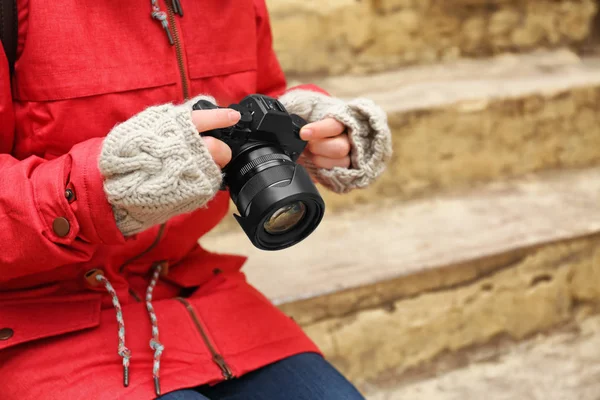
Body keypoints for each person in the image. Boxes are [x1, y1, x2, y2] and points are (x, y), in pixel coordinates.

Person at [0, 1, 392, 399]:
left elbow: (254, 98)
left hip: (192, 288)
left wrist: (309, 121)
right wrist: (95, 191)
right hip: (38, 316)